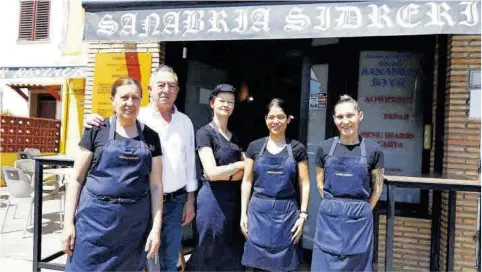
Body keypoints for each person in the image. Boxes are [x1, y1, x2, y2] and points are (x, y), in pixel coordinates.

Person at [84, 65, 197, 271]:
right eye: (160, 85)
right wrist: (91, 119)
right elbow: (111, 125)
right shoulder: (138, 115)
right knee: (139, 257)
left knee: (170, 259)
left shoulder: (185, 122)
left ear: (177, 91)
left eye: (171, 85)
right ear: (150, 89)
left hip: (174, 201)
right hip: (143, 202)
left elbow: (189, 163)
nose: (166, 90)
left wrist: (190, 200)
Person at [61, 77, 163, 271]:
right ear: (112, 100)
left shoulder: (151, 137)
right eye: (124, 97)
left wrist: (155, 230)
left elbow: (156, 186)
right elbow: (76, 179)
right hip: (93, 223)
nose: (130, 103)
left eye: (135, 98)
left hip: (132, 228)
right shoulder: (96, 131)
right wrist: (68, 224)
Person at [311, 95, 384, 272]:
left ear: (360, 116)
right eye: (340, 117)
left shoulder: (374, 150)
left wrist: (360, 210)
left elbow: (377, 189)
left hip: (359, 222)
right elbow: (320, 183)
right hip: (329, 220)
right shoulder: (324, 148)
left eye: (350, 115)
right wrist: (334, 206)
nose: (345, 121)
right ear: (334, 119)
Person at [240, 98, 310, 272]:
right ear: (266, 119)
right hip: (258, 213)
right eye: (271, 117)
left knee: (285, 266)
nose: (275, 121)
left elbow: (305, 183)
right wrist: (243, 213)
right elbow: (247, 181)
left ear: (288, 119)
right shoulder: (254, 147)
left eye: (280, 117)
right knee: (257, 266)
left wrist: (303, 215)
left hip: (287, 215)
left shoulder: (297, 148)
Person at [186, 84, 245, 271]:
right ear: (212, 103)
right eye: (222, 101)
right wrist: (236, 166)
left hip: (233, 202)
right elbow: (211, 172)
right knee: (208, 249)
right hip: (211, 202)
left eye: (231, 102)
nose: (226, 105)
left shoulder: (234, 136)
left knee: (230, 250)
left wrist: (225, 173)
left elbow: (247, 170)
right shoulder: (204, 133)